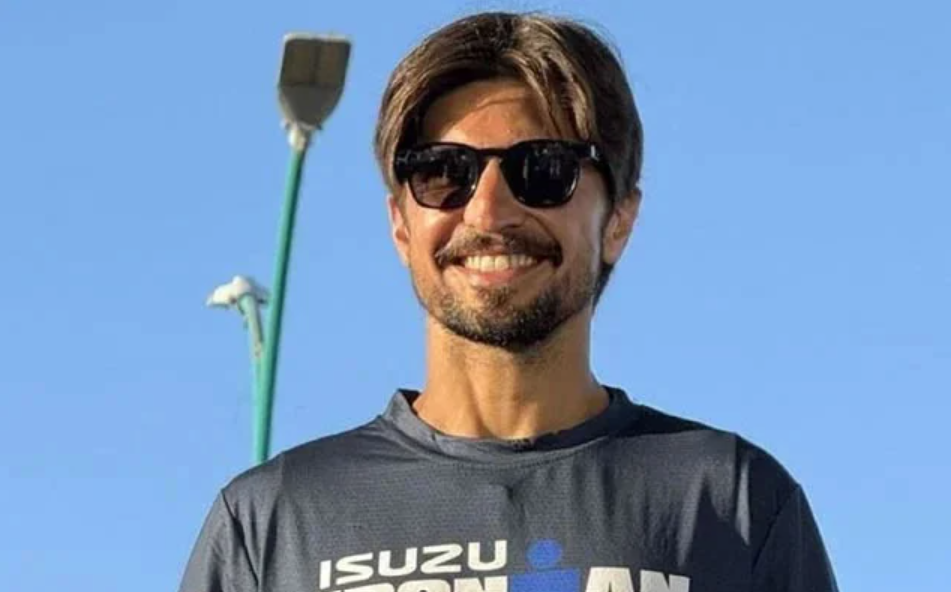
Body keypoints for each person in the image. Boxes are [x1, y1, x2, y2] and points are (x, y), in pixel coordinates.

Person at [179, 11, 839, 592]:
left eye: (543, 170)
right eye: (444, 172)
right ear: (401, 224)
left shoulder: (730, 502)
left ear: (619, 219)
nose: (489, 211)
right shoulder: (269, 523)